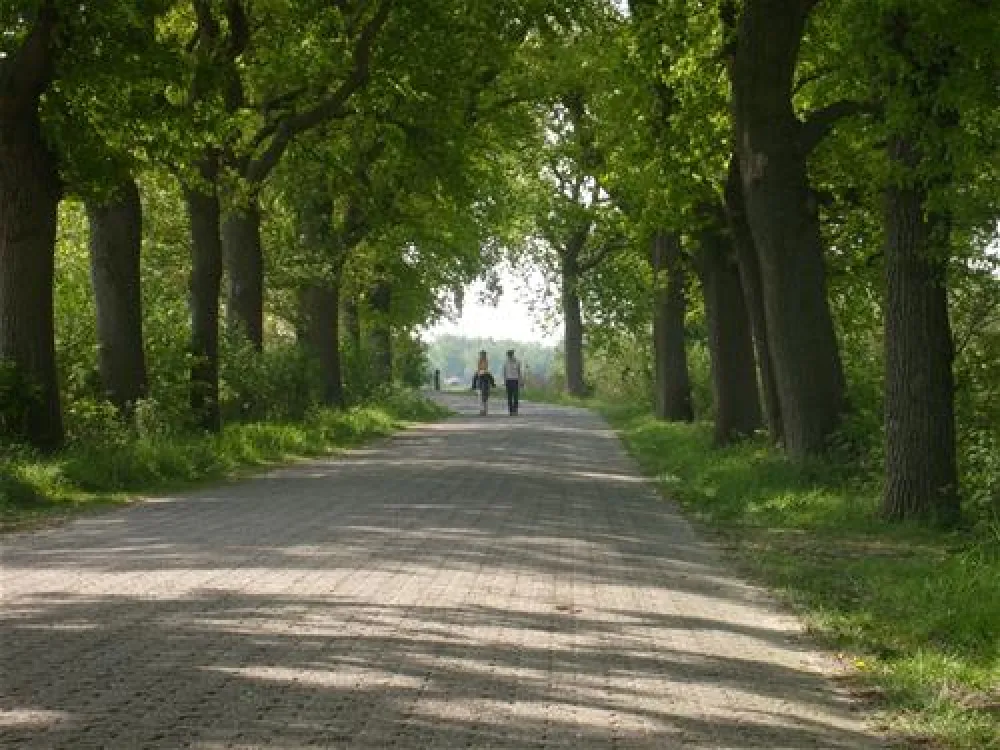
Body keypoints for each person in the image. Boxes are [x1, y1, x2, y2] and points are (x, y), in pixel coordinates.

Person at [471, 351, 496, 416]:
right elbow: (478, 369)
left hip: (485, 384)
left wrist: (493, 384)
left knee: (485, 398)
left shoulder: (486, 361)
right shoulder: (479, 362)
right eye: (482, 354)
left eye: (483, 354)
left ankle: (484, 410)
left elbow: (486, 369)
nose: (482, 355)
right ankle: (482, 410)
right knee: (480, 398)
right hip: (480, 384)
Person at [502, 349, 523, 415]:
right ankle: (511, 410)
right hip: (508, 380)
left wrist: (520, 381)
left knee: (516, 396)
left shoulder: (517, 362)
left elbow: (519, 372)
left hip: (515, 380)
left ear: (513, 354)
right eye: (509, 355)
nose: (510, 356)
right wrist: (504, 381)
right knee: (509, 396)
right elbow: (504, 372)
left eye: (510, 354)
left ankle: (515, 410)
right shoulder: (506, 363)